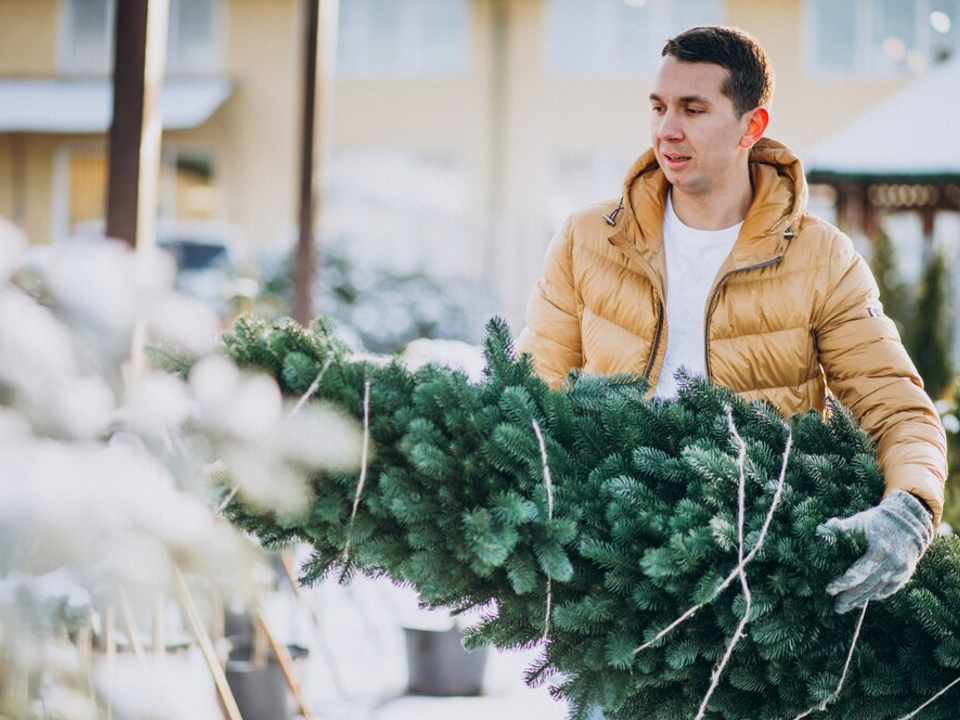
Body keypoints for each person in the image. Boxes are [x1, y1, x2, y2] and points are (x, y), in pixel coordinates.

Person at [516, 25, 944, 615]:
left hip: (757, 583)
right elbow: (531, 393)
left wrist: (910, 508)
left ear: (752, 126)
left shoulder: (820, 258)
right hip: (610, 576)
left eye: (694, 109)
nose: (668, 129)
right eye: (660, 107)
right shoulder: (588, 240)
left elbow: (895, 406)